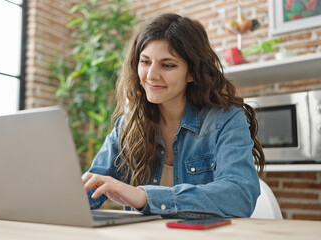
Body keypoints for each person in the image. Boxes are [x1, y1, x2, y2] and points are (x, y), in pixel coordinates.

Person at [82, 13, 265, 218]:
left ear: (192, 73)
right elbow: (91, 185)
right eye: (145, 61)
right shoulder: (127, 126)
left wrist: (145, 197)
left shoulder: (225, 120)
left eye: (167, 65)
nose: (151, 75)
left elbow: (239, 196)